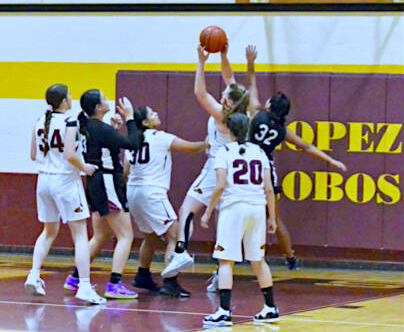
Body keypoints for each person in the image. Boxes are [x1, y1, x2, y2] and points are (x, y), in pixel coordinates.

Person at [205, 92, 348, 291]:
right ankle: (290, 258)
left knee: (230, 214)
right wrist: (331, 160)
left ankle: (224, 264)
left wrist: (251, 64)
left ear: (270, 104)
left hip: (244, 163)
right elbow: (306, 146)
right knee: (274, 218)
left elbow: (252, 86)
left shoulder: (256, 115)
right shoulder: (281, 130)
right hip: (264, 170)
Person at [161, 43, 258, 295]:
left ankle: (181, 250)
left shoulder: (221, 115)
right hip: (234, 170)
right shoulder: (242, 109)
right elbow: (229, 78)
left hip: (216, 167)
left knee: (187, 209)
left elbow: (200, 93)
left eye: (226, 96)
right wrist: (225, 55)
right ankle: (220, 273)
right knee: (222, 223)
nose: (222, 95)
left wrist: (201, 63)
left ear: (230, 103)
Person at [25, 84, 106, 304]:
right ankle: (85, 287)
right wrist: (84, 167)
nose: (71, 98)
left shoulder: (39, 121)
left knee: (49, 231)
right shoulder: (71, 122)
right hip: (66, 181)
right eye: (69, 95)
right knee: (80, 235)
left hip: (43, 181)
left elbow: (34, 155)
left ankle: (34, 274)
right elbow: (70, 154)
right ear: (63, 101)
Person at [200, 113, 279, 326]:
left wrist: (208, 212)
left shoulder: (224, 152)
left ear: (227, 129)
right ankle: (270, 307)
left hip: (234, 208)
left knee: (226, 260)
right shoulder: (260, 152)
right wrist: (273, 216)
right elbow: (269, 189)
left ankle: (224, 311)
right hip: (257, 209)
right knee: (258, 260)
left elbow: (220, 186)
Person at [63, 90, 140, 300]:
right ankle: (114, 284)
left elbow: (104, 143)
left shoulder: (89, 126)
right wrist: (130, 118)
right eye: (104, 99)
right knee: (126, 236)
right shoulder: (100, 128)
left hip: (95, 183)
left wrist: (114, 128)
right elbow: (133, 144)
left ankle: (76, 278)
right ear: (98, 108)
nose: (108, 101)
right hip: (107, 183)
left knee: (101, 235)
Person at [125, 106, 207, 293]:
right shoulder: (159, 137)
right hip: (152, 193)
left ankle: (142, 276)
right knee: (175, 235)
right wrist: (206, 143)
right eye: (152, 113)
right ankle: (170, 282)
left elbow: (125, 171)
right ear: (146, 122)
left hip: (133, 192)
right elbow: (190, 147)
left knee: (151, 237)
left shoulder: (132, 140)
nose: (157, 114)